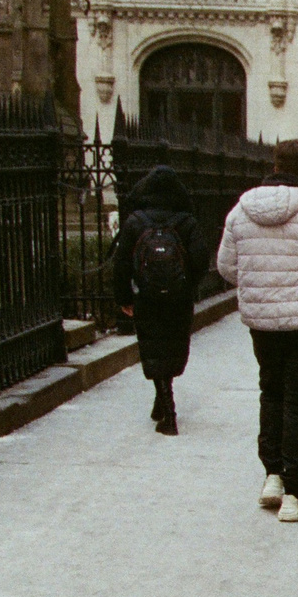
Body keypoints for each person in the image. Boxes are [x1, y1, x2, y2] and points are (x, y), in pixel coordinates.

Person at [216, 138, 298, 520]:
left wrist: (259, 284)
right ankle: (293, 490)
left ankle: (271, 473)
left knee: (270, 392)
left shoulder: (241, 210)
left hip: (261, 320)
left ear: (274, 164)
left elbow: (226, 265)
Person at [112, 164, 208, 435]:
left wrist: (124, 297)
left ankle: (166, 409)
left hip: (147, 296)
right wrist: (187, 286)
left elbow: (120, 264)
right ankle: (164, 400)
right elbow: (201, 259)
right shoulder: (186, 221)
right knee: (173, 346)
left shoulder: (135, 221)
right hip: (178, 297)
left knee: (154, 347)